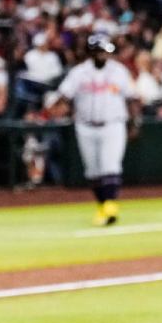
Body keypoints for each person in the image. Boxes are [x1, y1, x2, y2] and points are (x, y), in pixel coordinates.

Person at [50, 34, 140, 226]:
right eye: (99, 50)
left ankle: (110, 206)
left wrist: (134, 123)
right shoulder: (79, 73)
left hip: (113, 124)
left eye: (105, 51)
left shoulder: (119, 71)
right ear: (91, 51)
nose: (103, 54)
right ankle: (102, 207)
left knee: (110, 166)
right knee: (92, 172)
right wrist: (52, 110)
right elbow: (64, 96)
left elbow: (132, 98)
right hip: (85, 126)